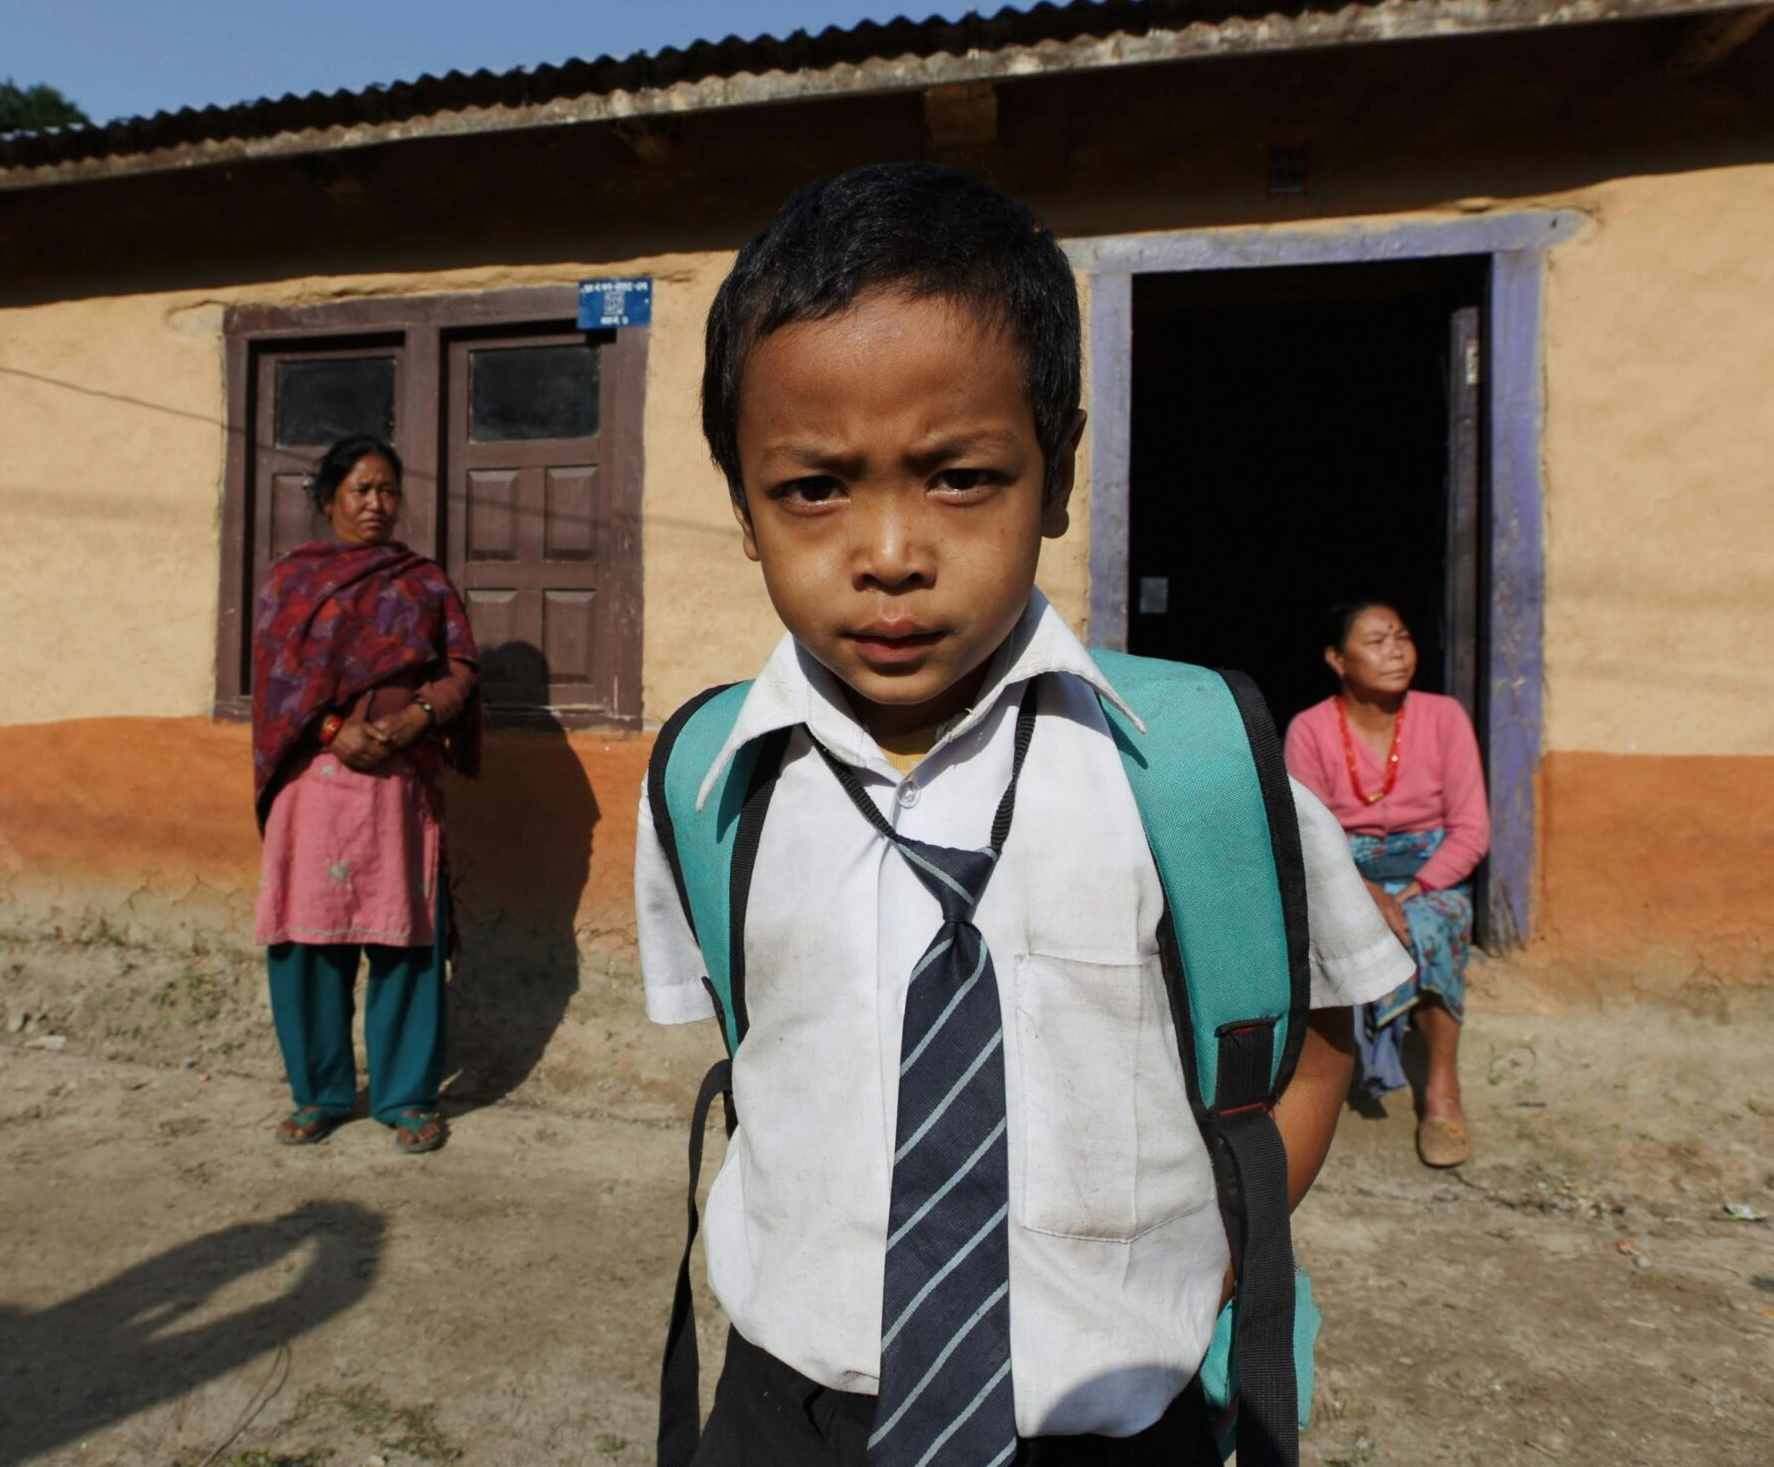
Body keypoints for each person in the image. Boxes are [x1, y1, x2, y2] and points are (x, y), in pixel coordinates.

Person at [634, 164, 1413, 1465]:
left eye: (960, 476)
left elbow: (1323, 1027)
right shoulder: (714, 781)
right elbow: (762, 1033)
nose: (888, 549)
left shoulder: (1198, 773)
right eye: (813, 488)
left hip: (1111, 1415)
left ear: (1055, 477)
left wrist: (1223, 1247)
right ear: (742, 505)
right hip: (784, 1406)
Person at [250, 434, 480, 1155]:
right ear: (328, 501)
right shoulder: (292, 581)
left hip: (399, 786)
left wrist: (417, 717)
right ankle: (318, 1094)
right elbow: (275, 682)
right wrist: (329, 728)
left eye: (387, 489)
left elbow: (461, 669)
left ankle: (405, 1097)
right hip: (315, 785)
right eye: (360, 490)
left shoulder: (423, 582)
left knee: (405, 937)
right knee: (308, 940)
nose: (377, 504)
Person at [1281, 601, 1487, 1169]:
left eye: (1402, 636)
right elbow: (1309, 832)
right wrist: (1367, 893)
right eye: (1375, 640)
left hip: (1429, 875)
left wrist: (1407, 895)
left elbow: (1471, 830)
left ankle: (1442, 1088)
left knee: (1433, 924)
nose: (1394, 650)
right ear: (1336, 659)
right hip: (1344, 869)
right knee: (1333, 927)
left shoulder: (1444, 717)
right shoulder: (1310, 729)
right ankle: (1331, 1080)